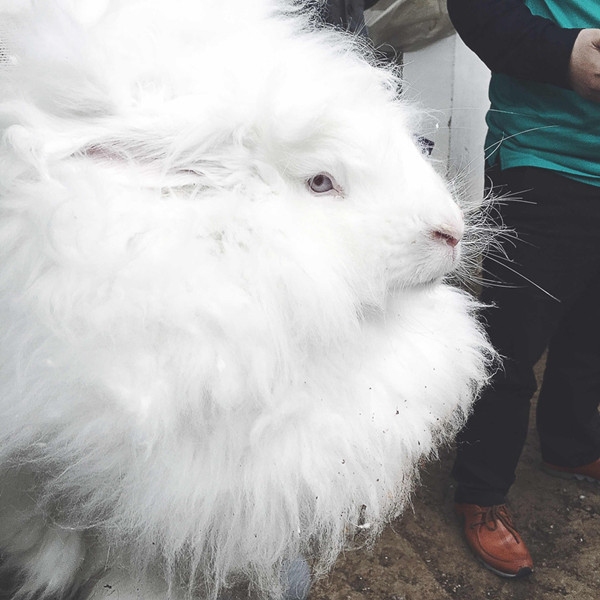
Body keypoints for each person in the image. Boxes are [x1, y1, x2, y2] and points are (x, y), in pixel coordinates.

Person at [446, 0, 600, 579]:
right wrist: (564, 53)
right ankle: (480, 490)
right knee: (511, 340)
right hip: (544, 157)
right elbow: (477, 11)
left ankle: (570, 445)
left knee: (591, 330)